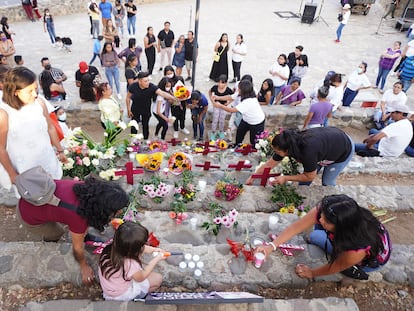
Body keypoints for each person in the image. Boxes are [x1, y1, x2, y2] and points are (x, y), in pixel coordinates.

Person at [18, 176, 129, 285]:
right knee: (57, 232)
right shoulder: (78, 217)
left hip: (32, 198)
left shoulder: (86, 188)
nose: (119, 213)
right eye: (116, 211)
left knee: (70, 225)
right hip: (29, 215)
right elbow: (77, 248)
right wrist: (83, 266)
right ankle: (51, 242)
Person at [256, 195, 391, 280]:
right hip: (349, 235)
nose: (320, 220)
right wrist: (271, 246)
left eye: (326, 221)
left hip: (369, 260)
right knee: (315, 234)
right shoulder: (332, 209)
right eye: (321, 216)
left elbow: (335, 266)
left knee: (315, 236)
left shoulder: (355, 250)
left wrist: (312, 273)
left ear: (341, 228)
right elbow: (297, 227)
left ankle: (353, 268)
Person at [0, 67, 67, 189]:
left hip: (47, 160)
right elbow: (1, 148)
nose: (35, 94)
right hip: (25, 168)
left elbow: (50, 127)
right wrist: (12, 174)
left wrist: (60, 150)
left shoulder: (39, 103)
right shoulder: (4, 114)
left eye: (36, 89)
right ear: (15, 91)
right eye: (29, 91)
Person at [246, 127, 354, 186]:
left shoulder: (307, 153)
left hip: (343, 150)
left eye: (277, 151)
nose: (276, 153)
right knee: (304, 181)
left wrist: (285, 178)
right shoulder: (289, 142)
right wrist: (253, 176)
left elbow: (310, 176)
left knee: (327, 181)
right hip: (328, 142)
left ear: (287, 150)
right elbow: (270, 163)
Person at [99, 221, 165, 301]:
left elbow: (138, 248)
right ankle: (134, 298)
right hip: (121, 295)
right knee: (158, 279)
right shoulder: (131, 263)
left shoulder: (109, 249)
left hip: (109, 290)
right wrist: (156, 260)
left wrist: (153, 250)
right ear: (133, 250)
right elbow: (141, 277)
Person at [126, 71, 178, 139]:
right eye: (145, 81)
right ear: (140, 81)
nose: (148, 82)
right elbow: (127, 98)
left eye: (148, 80)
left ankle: (145, 139)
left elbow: (162, 93)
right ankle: (133, 139)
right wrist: (128, 110)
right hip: (135, 109)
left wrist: (174, 98)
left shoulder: (151, 86)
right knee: (134, 125)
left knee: (145, 125)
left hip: (146, 109)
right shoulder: (133, 86)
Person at [212, 80, 265, 146]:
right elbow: (230, 97)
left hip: (256, 122)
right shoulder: (242, 94)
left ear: (243, 90)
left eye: (239, 88)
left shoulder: (248, 101)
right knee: (240, 132)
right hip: (246, 119)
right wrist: (218, 97)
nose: (237, 89)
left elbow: (232, 110)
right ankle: (237, 145)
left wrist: (220, 106)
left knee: (254, 141)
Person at [163, 66, 190, 138]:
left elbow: (184, 89)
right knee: (174, 117)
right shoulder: (165, 81)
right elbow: (164, 92)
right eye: (168, 73)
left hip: (182, 101)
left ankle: (182, 127)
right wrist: (170, 99)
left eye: (171, 73)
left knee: (182, 115)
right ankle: (176, 130)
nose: (170, 75)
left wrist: (183, 96)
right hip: (173, 103)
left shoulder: (179, 79)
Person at [209, 74, 233, 139]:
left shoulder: (228, 90)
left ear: (225, 83)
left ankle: (221, 131)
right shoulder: (215, 87)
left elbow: (233, 97)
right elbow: (210, 92)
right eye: (219, 82)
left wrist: (228, 103)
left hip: (223, 107)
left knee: (222, 120)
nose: (220, 84)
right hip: (216, 106)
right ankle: (213, 132)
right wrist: (212, 100)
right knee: (215, 119)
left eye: (222, 83)